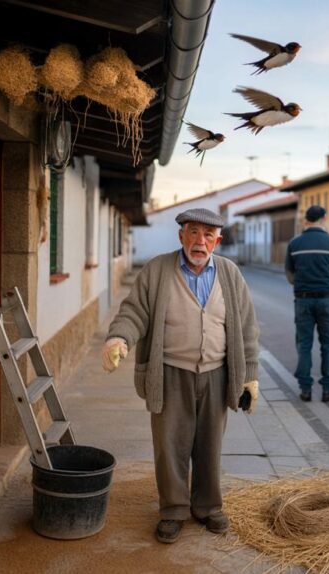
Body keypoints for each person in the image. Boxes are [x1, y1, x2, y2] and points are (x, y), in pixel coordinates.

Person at [102, 208, 260, 544]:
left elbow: (247, 327)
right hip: (171, 371)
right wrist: (119, 338)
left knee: (210, 445)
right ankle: (173, 509)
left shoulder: (230, 274)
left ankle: (207, 507)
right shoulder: (158, 270)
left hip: (216, 374)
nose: (199, 241)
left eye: (207, 235)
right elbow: (133, 311)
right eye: (192, 232)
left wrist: (249, 375)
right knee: (169, 446)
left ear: (218, 240)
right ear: (181, 236)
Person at [285, 205, 329, 402]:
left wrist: (302, 282)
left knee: (304, 344)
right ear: (324, 219)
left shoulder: (294, 243)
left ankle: (305, 389)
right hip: (327, 300)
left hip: (303, 299)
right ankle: (328, 390)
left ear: (306, 220)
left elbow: (289, 274)